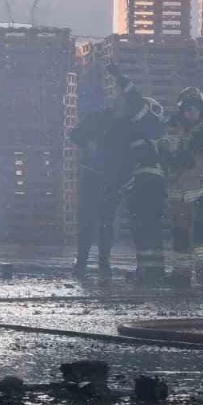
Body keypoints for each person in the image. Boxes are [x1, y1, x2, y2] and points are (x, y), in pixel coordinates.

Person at [107, 63, 167, 286]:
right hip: (149, 185)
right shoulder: (147, 131)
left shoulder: (146, 123)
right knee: (149, 229)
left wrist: (119, 76)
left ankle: (149, 272)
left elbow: (133, 97)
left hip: (146, 185)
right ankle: (151, 270)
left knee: (144, 229)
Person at [159, 87, 203, 286]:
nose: (192, 112)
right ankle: (181, 273)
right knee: (179, 234)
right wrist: (174, 153)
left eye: (195, 108)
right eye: (188, 108)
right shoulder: (172, 133)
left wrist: (193, 147)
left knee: (202, 232)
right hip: (178, 193)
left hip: (201, 191)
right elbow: (164, 155)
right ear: (181, 110)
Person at [68, 105, 121, 277]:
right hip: (98, 177)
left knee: (98, 221)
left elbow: (74, 135)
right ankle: (93, 262)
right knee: (98, 221)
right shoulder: (102, 119)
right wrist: (88, 143)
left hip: (104, 178)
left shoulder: (118, 122)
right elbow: (75, 135)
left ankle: (94, 262)